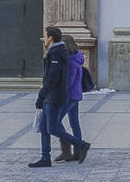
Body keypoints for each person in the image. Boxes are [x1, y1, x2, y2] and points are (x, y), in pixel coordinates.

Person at [30, 26, 90, 167]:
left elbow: (55, 78)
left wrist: (43, 93)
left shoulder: (57, 54)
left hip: (58, 96)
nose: (43, 39)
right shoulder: (58, 53)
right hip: (59, 95)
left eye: (45, 36)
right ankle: (46, 157)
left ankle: (80, 145)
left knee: (54, 127)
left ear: (50, 38)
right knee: (48, 127)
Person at [55, 34, 88, 162]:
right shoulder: (76, 58)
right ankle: (76, 152)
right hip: (75, 95)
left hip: (69, 96)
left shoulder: (71, 61)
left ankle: (69, 150)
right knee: (74, 123)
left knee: (56, 121)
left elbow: (69, 81)